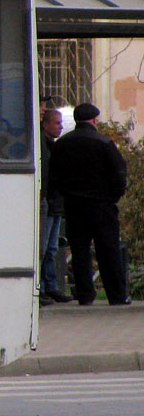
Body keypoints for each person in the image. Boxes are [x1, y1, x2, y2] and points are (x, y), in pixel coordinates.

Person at [49, 103, 131, 306]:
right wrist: (113, 196)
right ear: (94, 120)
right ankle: (117, 295)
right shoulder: (104, 143)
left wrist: (65, 194)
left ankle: (85, 294)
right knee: (108, 251)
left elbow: (54, 176)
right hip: (102, 206)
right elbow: (119, 174)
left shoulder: (62, 144)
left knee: (79, 251)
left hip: (74, 205)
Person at [38, 102, 72, 305]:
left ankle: (51, 287)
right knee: (43, 249)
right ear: (46, 124)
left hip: (56, 203)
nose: (60, 127)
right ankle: (43, 287)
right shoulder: (44, 146)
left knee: (51, 249)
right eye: (57, 123)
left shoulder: (55, 145)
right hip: (49, 202)